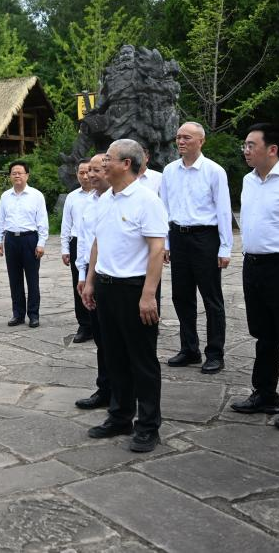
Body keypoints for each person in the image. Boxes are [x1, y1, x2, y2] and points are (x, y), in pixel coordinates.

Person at [81, 140, 167, 452]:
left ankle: (148, 426)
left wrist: (148, 295)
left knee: (142, 360)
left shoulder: (146, 200)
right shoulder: (104, 199)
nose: (102, 165)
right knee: (114, 356)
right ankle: (119, 416)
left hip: (134, 289)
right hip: (106, 286)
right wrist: (90, 282)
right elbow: (97, 244)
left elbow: (157, 248)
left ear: (126, 164)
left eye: (108, 159)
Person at [231, 123, 279, 431]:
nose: (246, 150)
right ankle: (264, 393)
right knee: (263, 334)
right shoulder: (249, 181)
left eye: (251, 145)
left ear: (272, 149)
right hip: (253, 264)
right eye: (245, 145)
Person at [160, 121, 233, 374]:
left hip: (205, 238)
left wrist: (225, 247)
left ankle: (215, 352)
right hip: (178, 237)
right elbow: (165, 209)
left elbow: (223, 210)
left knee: (211, 298)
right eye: (178, 137)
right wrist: (166, 242)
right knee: (181, 296)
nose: (181, 141)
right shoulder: (169, 171)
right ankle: (189, 348)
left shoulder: (214, 171)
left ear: (201, 141)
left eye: (187, 138)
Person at [73, 153, 112, 410]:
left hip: (119, 279)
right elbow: (86, 243)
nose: (91, 175)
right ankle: (105, 389)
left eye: (97, 170)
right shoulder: (89, 203)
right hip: (92, 273)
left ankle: (124, 394)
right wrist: (82, 276)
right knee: (100, 337)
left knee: (117, 340)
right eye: (90, 170)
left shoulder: (127, 200)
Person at [0, 160, 49, 328]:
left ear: (27, 175)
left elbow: (42, 222)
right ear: (10, 176)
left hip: (30, 240)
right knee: (14, 279)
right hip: (11, 240)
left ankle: (33, 314)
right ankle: (18, 314)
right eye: (13, 173)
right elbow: (1, 220)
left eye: (20, 172)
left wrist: (41, 243)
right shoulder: (5, 196)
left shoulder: (36, 195)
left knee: (32, 279)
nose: (17, 175)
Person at [61, 159, 94, 342]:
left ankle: (99, 322)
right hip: (76, 243)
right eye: (81, 172)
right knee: (79, 283)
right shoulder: (72, 197)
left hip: (96, 244)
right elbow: (66, 225)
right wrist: (65, 249)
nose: (85, 175)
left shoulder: (101, 194)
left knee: (97, 283)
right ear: (77, 175)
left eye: (88, 171)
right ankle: (84, 325)